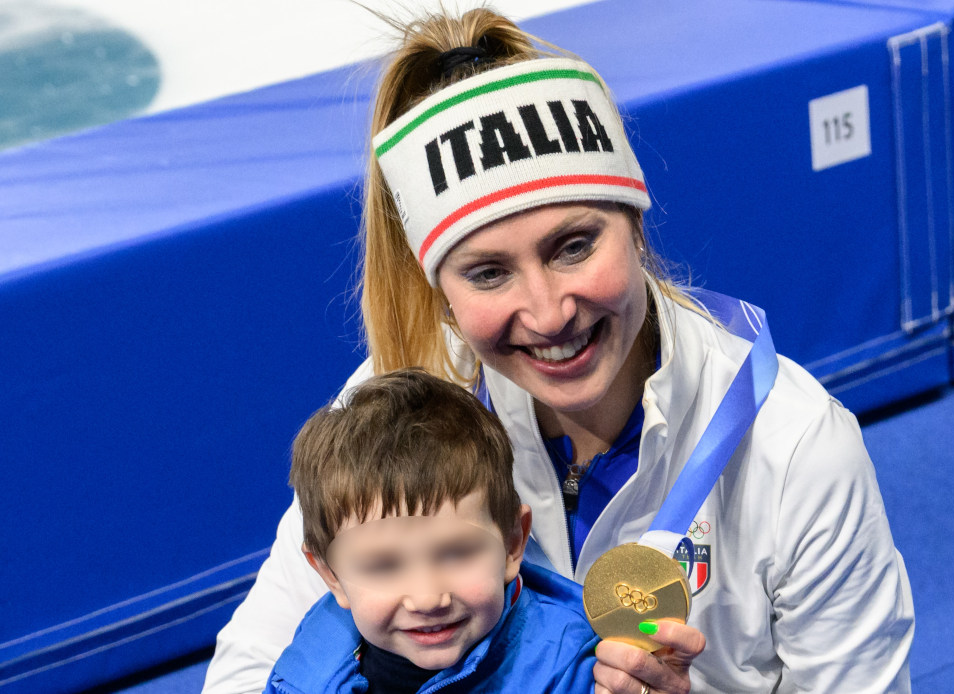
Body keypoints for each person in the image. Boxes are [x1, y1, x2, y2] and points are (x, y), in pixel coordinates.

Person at [205, 7, 914, 694]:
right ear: (442, 293)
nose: (548, 314)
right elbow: (249, 670)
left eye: (573, 247)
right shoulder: (403, 403)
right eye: (488, 273)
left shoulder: (793, 451)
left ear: (635, 224)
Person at [264, 368, 599, 694]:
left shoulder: (570, 669)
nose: (427, 599)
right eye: (384, 566)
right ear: (331, 574)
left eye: (455, 553)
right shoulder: (306, 667)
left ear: (512, 543)